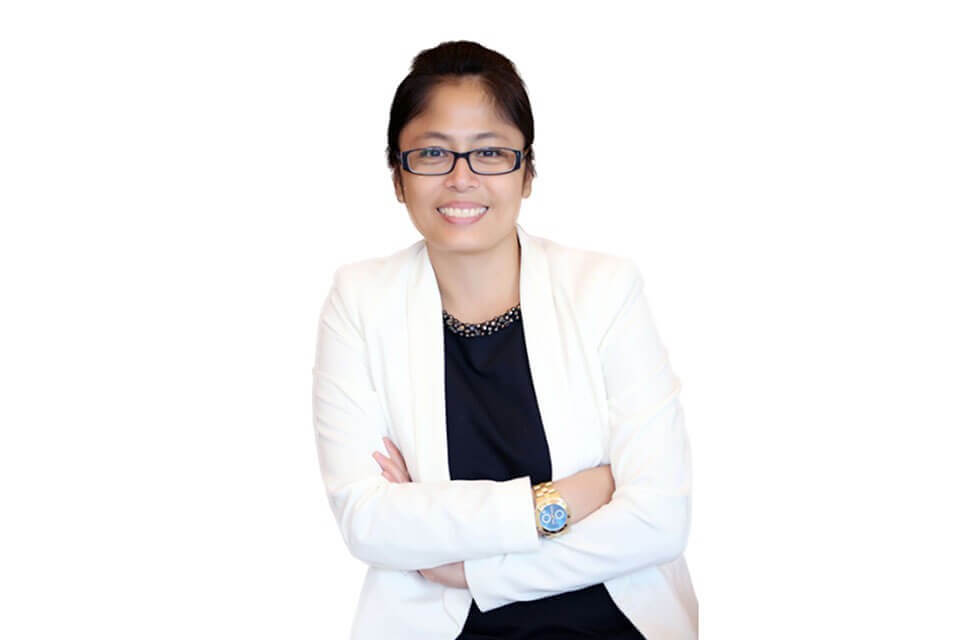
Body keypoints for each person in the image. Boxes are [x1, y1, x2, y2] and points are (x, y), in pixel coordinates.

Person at [312, 40, 698, 640]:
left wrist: (474, 571)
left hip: (611, 622)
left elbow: (658, 520)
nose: (461, 178)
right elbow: (368, 522)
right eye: (432, 153)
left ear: (528, 173)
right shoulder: (360, 301)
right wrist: (561, 501)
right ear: (397, 176)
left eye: (490, 152)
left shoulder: (604, 290)